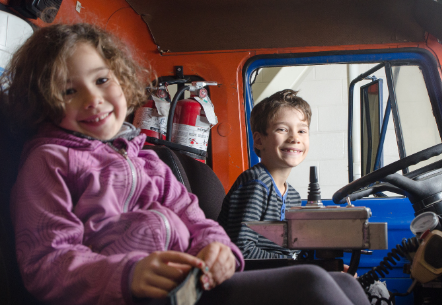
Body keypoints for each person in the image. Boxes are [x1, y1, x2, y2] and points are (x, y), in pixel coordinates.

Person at [3, 23, 369, 305]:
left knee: (344, 283)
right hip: (129, 294)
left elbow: (192, 215)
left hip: (190, 284)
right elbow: (46, 261)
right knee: (312, 284)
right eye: (70, 90)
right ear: (46, 101)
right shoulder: (50, 161)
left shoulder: (145, 157)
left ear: (120, 77)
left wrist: (218, 248)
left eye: (101, 80)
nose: (94, 99)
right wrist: (125, 275)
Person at [218, 89, 309, 259]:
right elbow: (241, 250)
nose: (295, 138)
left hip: (281, 272)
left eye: (302, 131)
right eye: (282, 129)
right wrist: (296, 266)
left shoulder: (294, 196)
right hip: (252, 276)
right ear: (259, 141)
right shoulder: (256, 184)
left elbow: (293, 252)